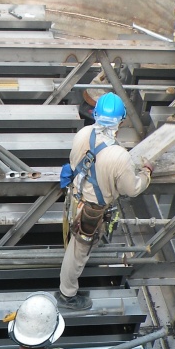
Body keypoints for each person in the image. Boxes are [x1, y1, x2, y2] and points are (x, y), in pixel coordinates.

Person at [56, 92, 154, 311]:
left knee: (74, 245)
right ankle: (66, 294)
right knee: (78, 253)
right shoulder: (119, 156)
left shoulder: (83, 134)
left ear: (95, 114)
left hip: (75, 198)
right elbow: (132, 188)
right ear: (120, 121)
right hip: (91, 211)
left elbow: (74, 163)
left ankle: (68, 284)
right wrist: (147, 172)